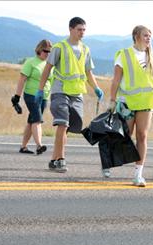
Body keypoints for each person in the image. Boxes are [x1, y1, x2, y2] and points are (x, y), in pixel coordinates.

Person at [38, 17, 104, 173]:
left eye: (84, 30)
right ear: (71, 29)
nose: (82, 33)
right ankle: (61, 160)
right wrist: (40, 90)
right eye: (79, 29)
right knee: (63, 124)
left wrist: (96, 88)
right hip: (60, 91)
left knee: (67, 128)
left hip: (77, 93)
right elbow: (47, 69)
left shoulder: (86, 49)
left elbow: (88, 72)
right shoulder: (60, 47)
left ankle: (54, 160)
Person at [105, 25, 153, 186]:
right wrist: (112, 100)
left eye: (150, 35)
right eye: (145, 35)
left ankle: (138, 174)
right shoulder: (124, 55)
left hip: (146, 102)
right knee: (124, 136)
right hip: (127, 102)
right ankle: (108, 160)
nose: (148, 38)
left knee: (142, 136)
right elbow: (115, 80)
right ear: (136, 36)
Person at [12, 39, 52, 155]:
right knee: (37, 119)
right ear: (39, 50)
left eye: (50, 52)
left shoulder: (49, 65)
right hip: (31, 95)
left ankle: (23, 147)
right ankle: (39, 145)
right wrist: (17, 97)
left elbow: (52, 81)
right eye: (45, 51)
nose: (48, 54)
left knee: (32, 121)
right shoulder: (31, 62)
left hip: (44, 96)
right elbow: (22, 79)